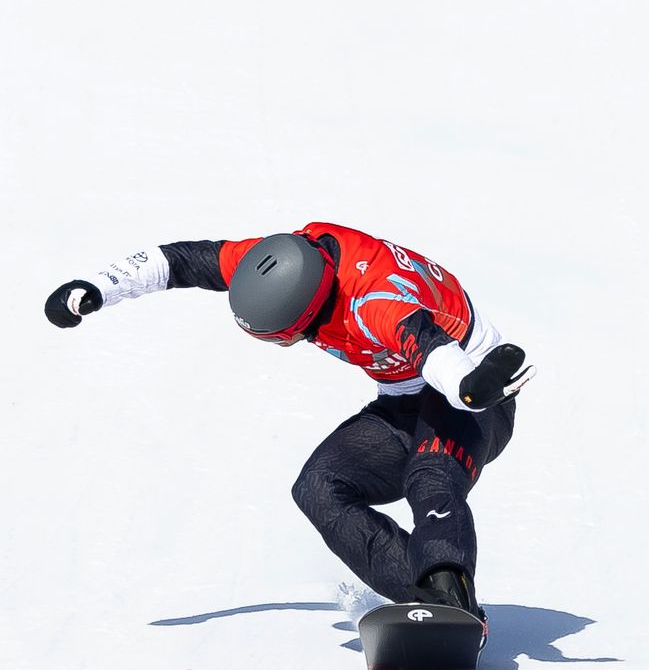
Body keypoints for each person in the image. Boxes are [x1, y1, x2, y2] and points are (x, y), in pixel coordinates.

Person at [43, 222, 530, 615]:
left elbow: (429, 348)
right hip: (407, 398)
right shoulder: (282, 257)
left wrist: (470, 389)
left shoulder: (374, 303)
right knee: (320, 485)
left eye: (286, 337)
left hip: (474, 390)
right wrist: (98, 287)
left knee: (432, 476)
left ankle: (451, 598)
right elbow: (181, 261)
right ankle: (435, 604)